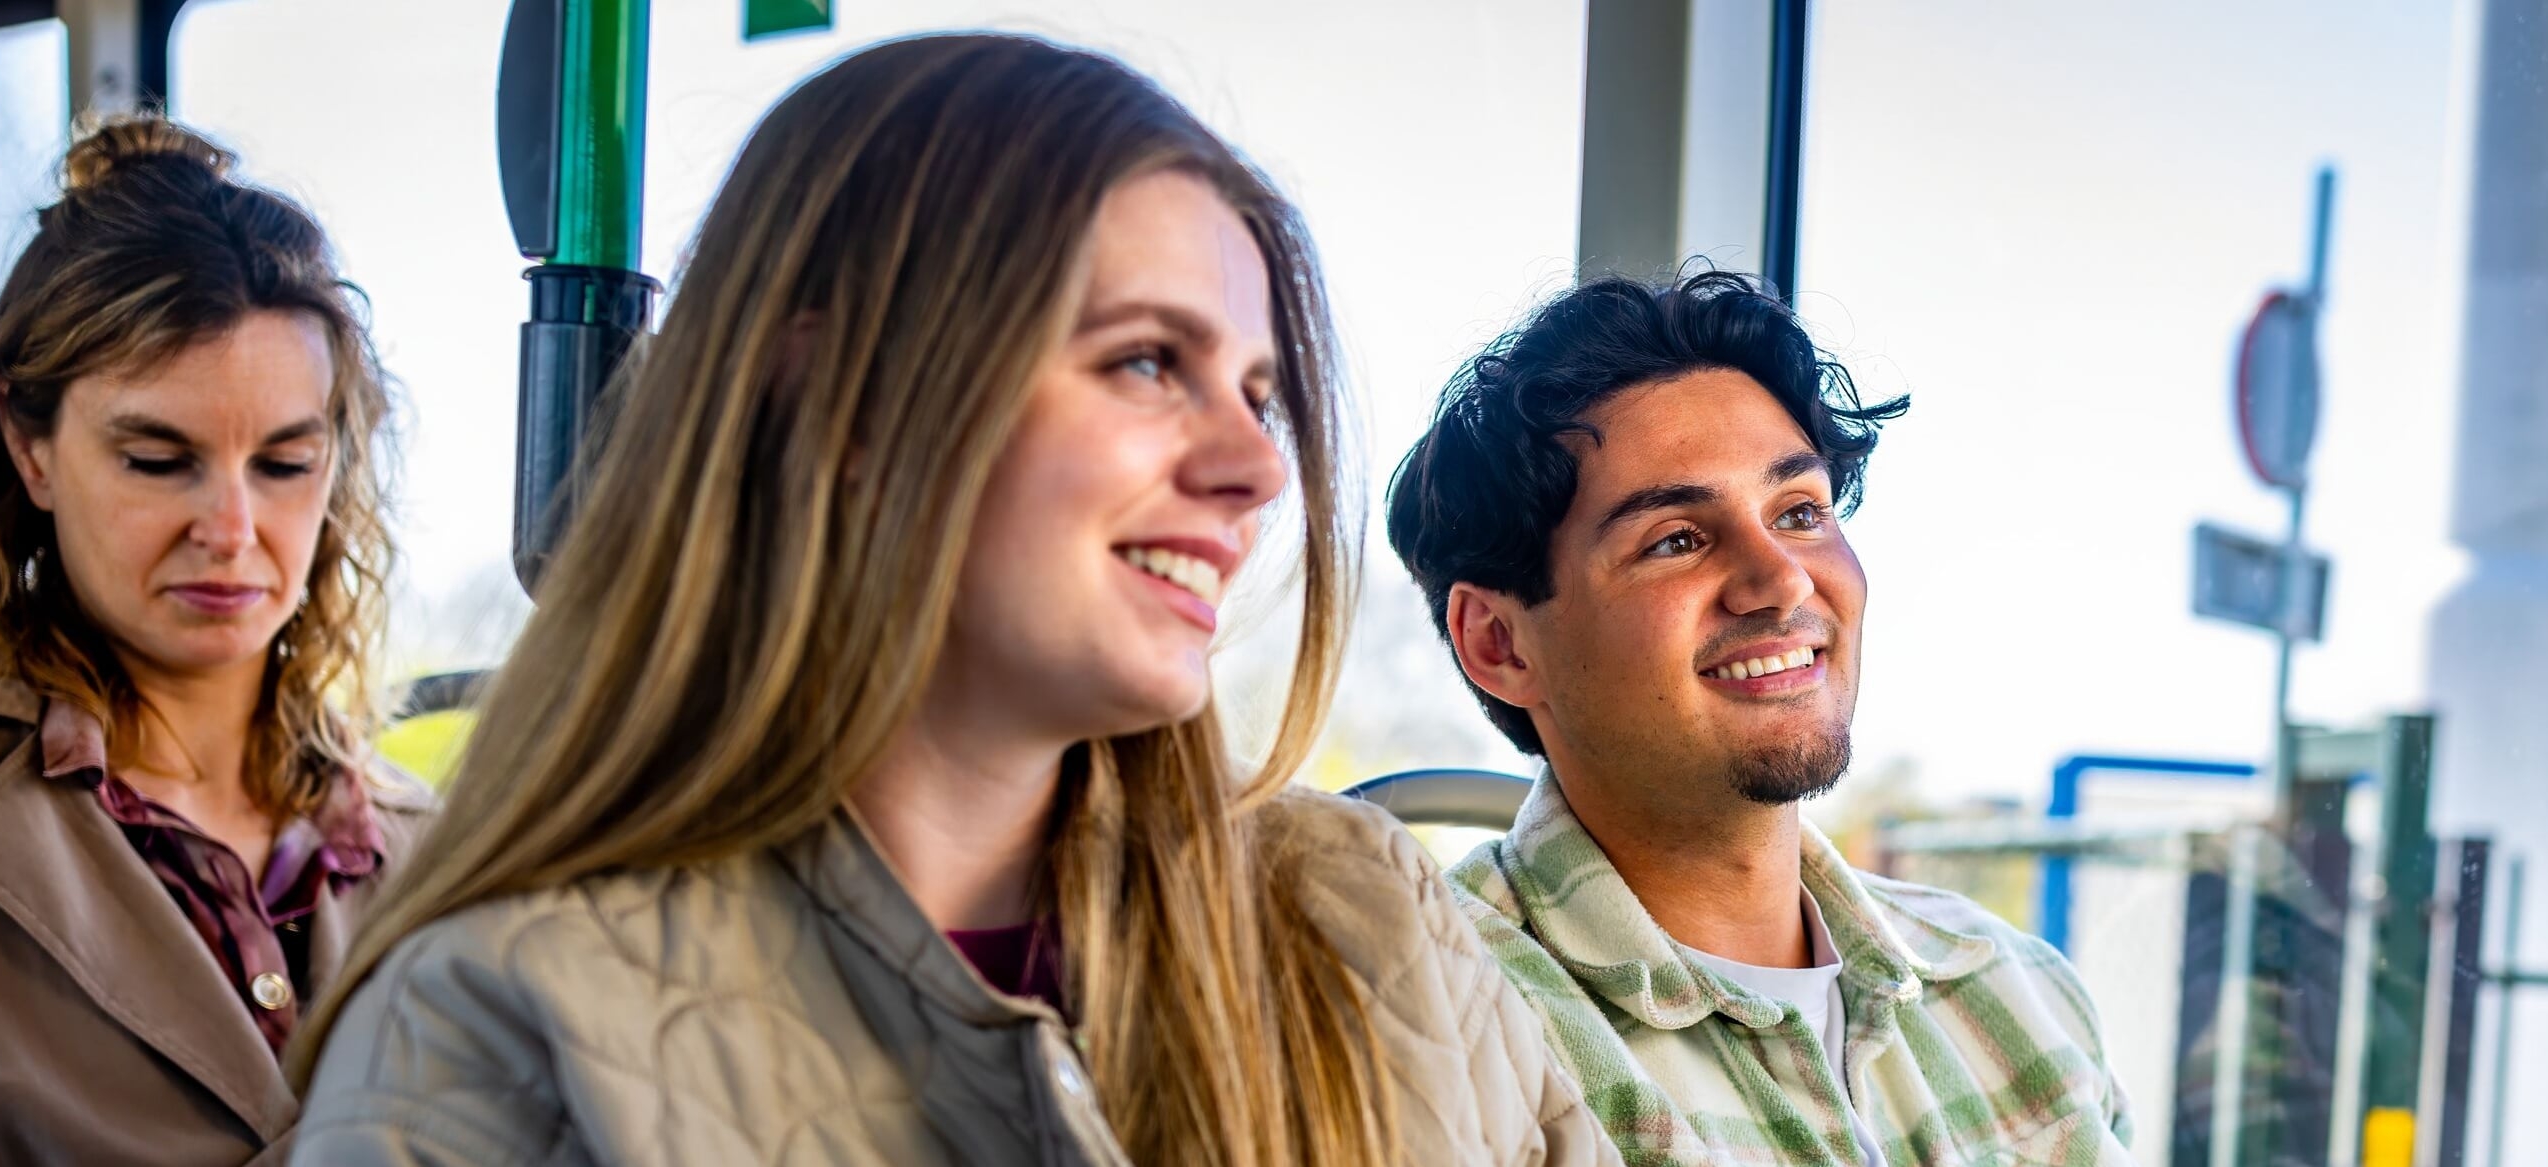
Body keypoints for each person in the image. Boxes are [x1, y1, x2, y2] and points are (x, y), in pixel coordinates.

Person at [287, 34, 1602, 1167]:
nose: (1257, 466)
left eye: (1260, 393)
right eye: (1149, 361)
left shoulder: (1361, 913)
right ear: (843, 395)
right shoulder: (490, 1031)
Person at [0, 115, 429, 1164]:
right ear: (30, 447)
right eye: (159, 460)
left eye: (286, 465)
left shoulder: (429, 842)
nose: (233, 533)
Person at [1387, 271, 2138, 1165]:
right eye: (1676, 539)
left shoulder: (2023, 995)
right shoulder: (1434, 1025)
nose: (1783, 576)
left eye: (1800, 511)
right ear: (1501, 644)